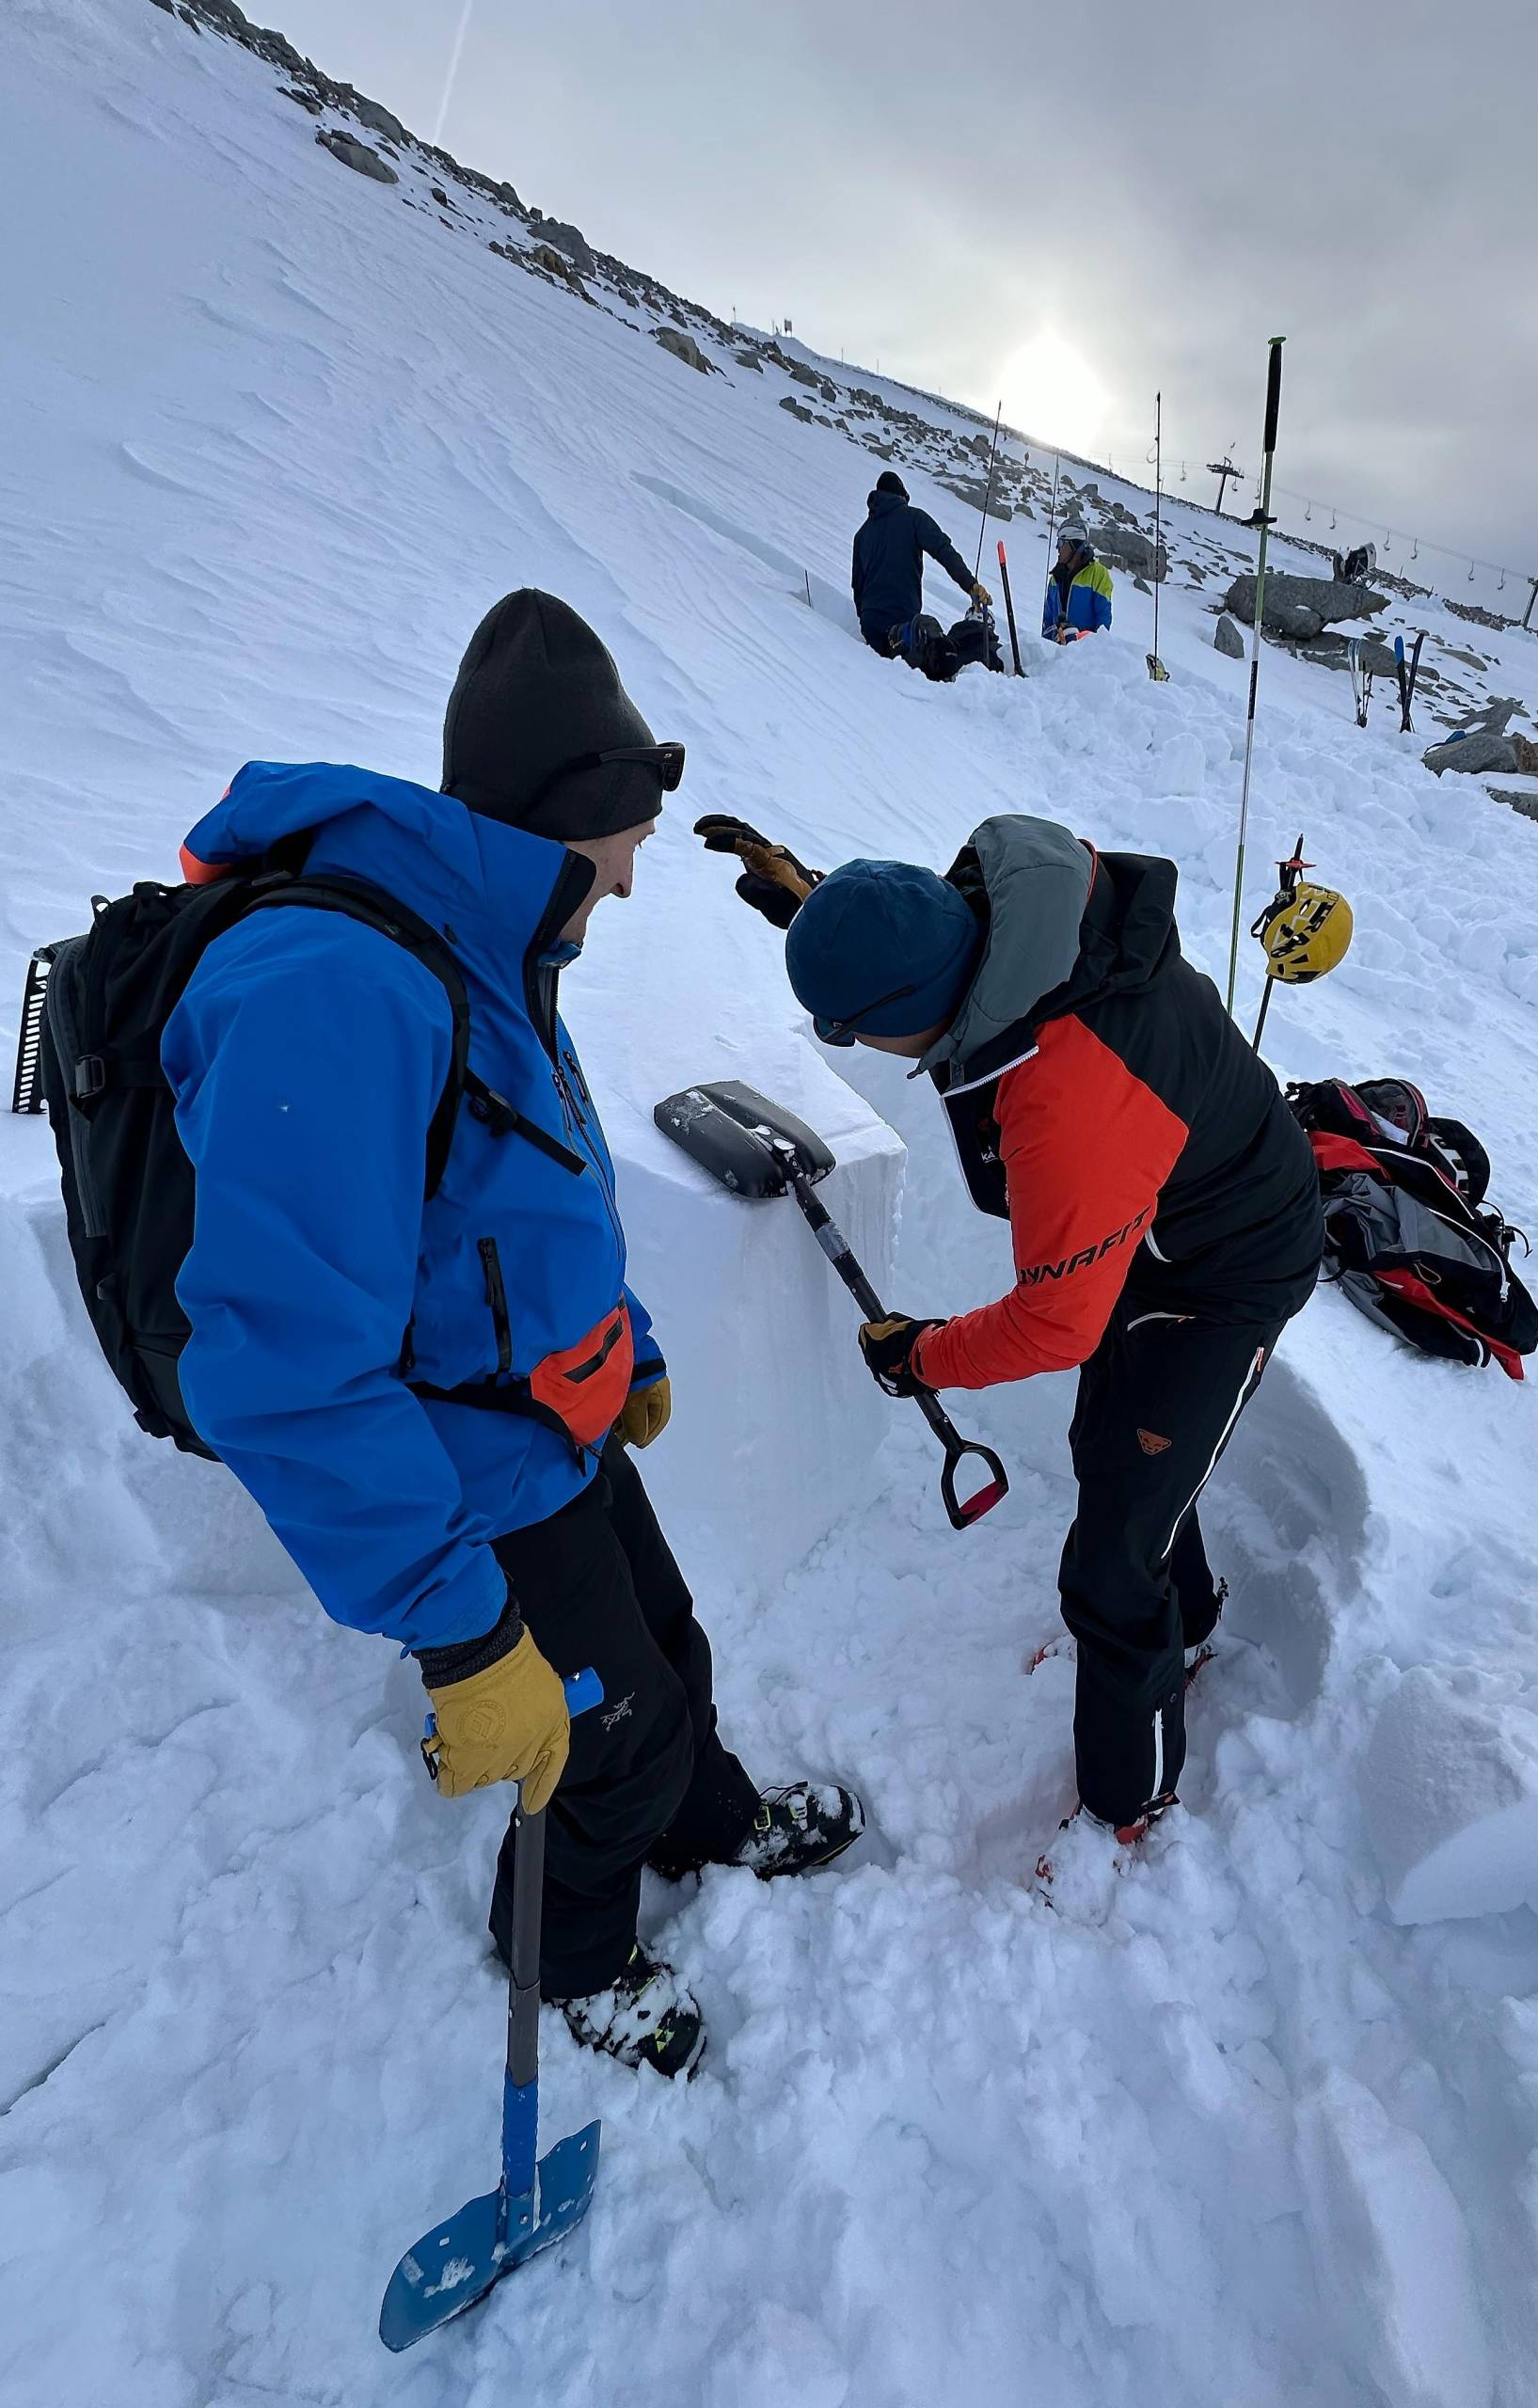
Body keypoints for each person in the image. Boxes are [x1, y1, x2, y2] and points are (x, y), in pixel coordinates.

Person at [163, 591, 863, 2080]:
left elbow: (531, 1196)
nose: (630, 883)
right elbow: (282, 1365)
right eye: (624, 849)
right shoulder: (340, 988)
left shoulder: (490, 947)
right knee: (594, 1740)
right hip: (465, 1472)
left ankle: (703, 1812)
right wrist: (461, 1629)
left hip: (555, 1421)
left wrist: (631, 1346)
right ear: (572, 820)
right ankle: (571, 1953)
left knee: (666, 1653)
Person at [695, 811, 1324, 1881]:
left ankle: (1133, 1801)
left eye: (854, 1031)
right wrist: (823, 907)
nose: (854, 1050)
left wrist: (923, 1355)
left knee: (1113, 1564)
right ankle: (1195, 1620)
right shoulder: (1012, 927)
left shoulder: (1067, 1091)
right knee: (1118, 1456)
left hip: (1229, 1270)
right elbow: (924, 934)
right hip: (1155, 1230)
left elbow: (1055, 1320)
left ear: (909, 1014)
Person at [851, 469, 1000, 680]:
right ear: (903, 496)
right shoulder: (913, 518)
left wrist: (867, 621)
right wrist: (971, 585)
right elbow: (943, 551)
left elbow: (858, 586)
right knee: (940, 651)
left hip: (872, 628)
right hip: (904, 625)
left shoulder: (862, 535)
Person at [1042, 520, 1114, 643]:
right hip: (1056, 653)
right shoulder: (1055, 578)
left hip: (1083, 656)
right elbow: (1048, 620)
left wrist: (1079, 641)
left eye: (1061, 543)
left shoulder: (1098, 574)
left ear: (1074, 546)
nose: (1057, 548)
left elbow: (1103, 624)